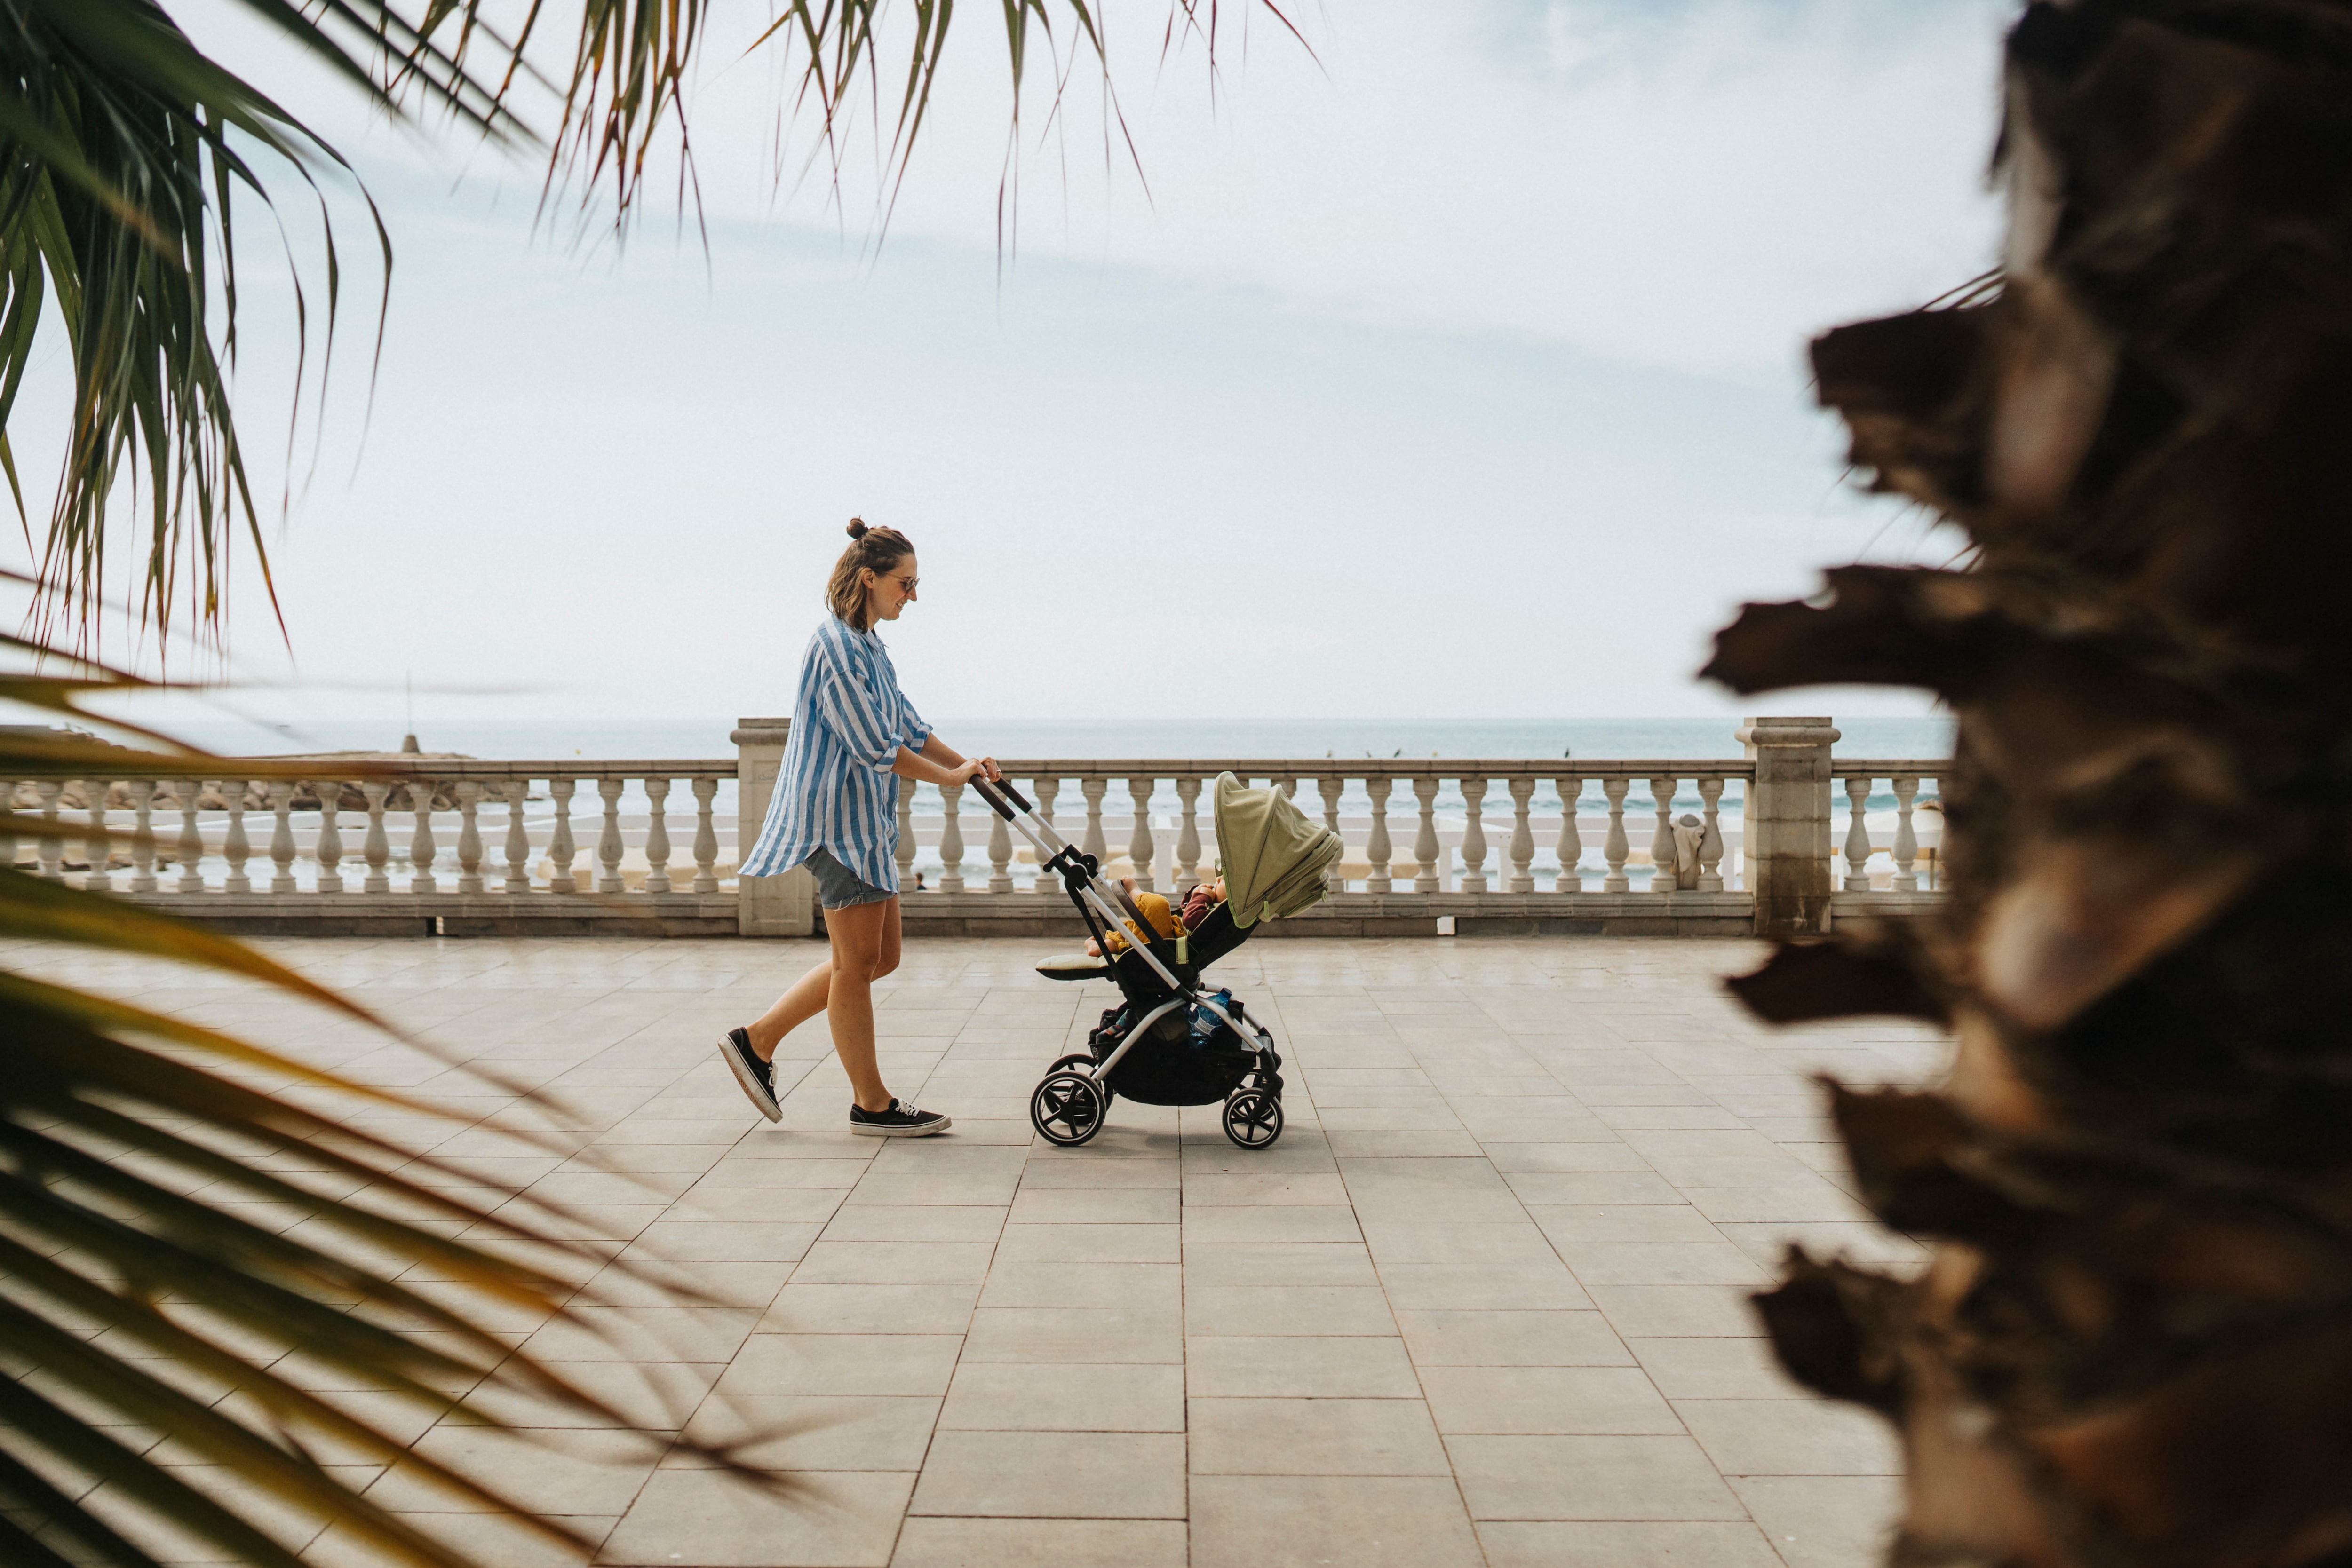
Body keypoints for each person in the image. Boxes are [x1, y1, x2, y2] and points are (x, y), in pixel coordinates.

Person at [716, 520, 1001, 1136]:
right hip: (834, 823)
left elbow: (908, 723)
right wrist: (947, 782)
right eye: (906, 583)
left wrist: (969, 768)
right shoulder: (836, 651)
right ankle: (871, 1103)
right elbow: (876, 745)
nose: (913, 596)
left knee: (879, 956)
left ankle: (756, 1039)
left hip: (863, 825)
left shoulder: (868, 643)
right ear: (869, 579)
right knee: (857, 962)